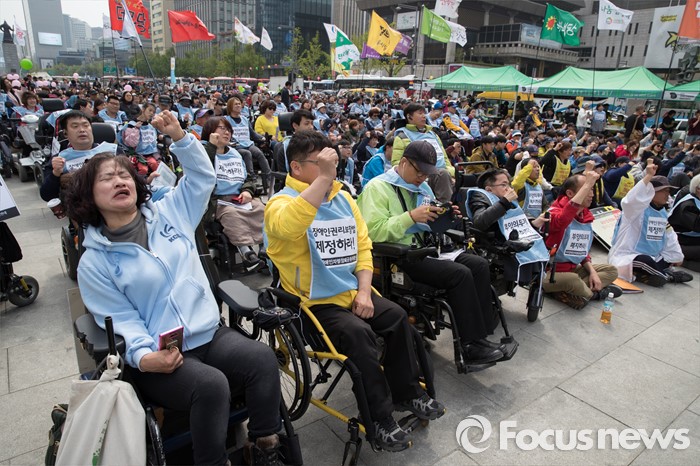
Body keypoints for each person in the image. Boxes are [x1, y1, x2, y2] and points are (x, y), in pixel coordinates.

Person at [68, 111, 283, 465]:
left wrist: (181, 139)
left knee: (261, 358)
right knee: (211, 385)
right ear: (88, 195)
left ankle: (264, 446)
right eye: (107, 178)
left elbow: (202, 178)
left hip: (207, 333)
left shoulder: (170, 212)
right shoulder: (95, 261)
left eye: (124, 175)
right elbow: (120, 318)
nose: (119, 181)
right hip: (159, 355)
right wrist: (144, 356)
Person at [265, 131, 445, 453]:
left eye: (331, 161)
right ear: (296, 167)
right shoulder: (280, 203)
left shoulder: (344, 199)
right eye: (321, 162)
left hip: (352, 291)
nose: (330, 168)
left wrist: (363, 291)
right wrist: (324, 179)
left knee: (397, 317)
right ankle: (378, 417)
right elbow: (290, 227)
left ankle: (406, 392)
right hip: (314, 303)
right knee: (359, 334)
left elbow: (363, 247)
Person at [358, 140, 506, 366]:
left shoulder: (423, 188)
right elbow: (372, 232)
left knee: (479, 265)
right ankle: (469, 346)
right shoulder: (377, 188)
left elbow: (432, 221)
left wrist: (447, 215)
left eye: (427, 174)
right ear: (404, 162)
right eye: (419, 172)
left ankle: (480, 336)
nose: (423, 178)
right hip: (399, 257)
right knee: (459, 274)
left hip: (427, 249)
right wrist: (410, 217)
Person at [543, 167, 622, 309]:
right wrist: (587, 182)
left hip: (572, 270)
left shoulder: (585, 216)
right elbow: (563, 219)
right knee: (572, 279)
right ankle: (595, 294)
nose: (591, 194)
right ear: (570, 193)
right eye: (587, 189)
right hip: (548, 273)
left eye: (591, 189)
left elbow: (582, 252)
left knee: (611, 271)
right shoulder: (554, 213)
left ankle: (573, 291)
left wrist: (592, 273)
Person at [608, 163, 691, 286]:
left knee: (671, 258)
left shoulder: (662, 213)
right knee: (644, 261)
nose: (667, 194)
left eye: (668, 191)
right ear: (651, 192)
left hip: (654, 256)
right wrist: (648, 176)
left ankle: (648, 274)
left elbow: (669, 236)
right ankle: (667, 276)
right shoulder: (636, 210)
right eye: (664, 191)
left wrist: (677, 256)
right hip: (630, 256)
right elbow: (630, 200)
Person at [465, 168, 550, 286]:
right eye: (503, 185)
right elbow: (480, 222)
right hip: (493, 242)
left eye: (508, 184)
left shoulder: (508, 200)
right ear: (489, 189)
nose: (508, 188)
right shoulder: (480, 196)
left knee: (537, 242)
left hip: (512, 238)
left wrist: (535, 223)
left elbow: (515, 224)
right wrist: (504, 202)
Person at [202, 117, 266, 271]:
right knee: (231, 214)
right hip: (218, 200)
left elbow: (248, 178)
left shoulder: (236, 154)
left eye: (228, 129)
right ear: (210, 131)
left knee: (262, 209)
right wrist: (211, 146)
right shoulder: (202, 152)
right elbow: (201, 171)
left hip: (239, 197)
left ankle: (265, 249)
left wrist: (247, 190)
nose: (227, 132)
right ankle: (246, 253)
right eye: (222, 128)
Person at [40, 111, 118, 202]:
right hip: (80, 205)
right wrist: (56, 174)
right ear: (65, 133)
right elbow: (47, 196)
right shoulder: (60, 159)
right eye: (75, 126)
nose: (82, 130)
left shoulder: (113, 151)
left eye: (86, 125)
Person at [392, 103, 455, 203]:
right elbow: (396, 163)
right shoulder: (402, 136)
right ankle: (441, 207)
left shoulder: (433, 134)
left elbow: (444, 158)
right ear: (409, 117)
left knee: (447, 175)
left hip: (440, 174)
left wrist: (452, 173)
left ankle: (443, 207)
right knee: (443, 174)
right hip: (418, 175)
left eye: (424, 113)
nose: (424, 116)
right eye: (420, 113)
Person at [669, 173, 700, 272]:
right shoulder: (688, 205)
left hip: (692, 241)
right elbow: (697, 225)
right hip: (681, 243)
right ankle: (683, 262)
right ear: (698, 189)